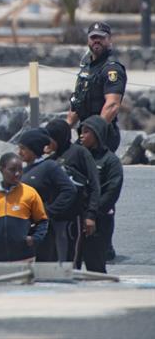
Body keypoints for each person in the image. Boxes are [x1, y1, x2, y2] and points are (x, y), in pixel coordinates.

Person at [44, 119, 101, 265]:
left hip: (73, 217)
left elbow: (94, 185)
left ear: (58, 137)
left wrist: (91, 215)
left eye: (50, 138)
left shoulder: (80, 153)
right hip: (53, 218)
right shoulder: (51, 159)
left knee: (71, 260)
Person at [16, 128, 77, 261]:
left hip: (42, 229)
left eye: (23, 148)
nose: (19, 152)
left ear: (34, 148)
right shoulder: (23, 170)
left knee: (43, 264)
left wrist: (49, 211)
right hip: (23, 226)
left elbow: (69, 190)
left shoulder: (49, 167)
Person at [0, 153, 49, 263]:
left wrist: (34, 239)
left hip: (24, 258)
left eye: (20, 169)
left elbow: (42, 221)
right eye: (12, 170)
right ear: (1, 169)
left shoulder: (30, 193)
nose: (17, 173)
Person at [67, 22, 127, 152]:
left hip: (103, 134)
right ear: (88, 40)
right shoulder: (86, 68)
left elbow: (112, 105)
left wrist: (95, 132)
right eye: (93, 37)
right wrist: (64, 130)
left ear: (109, 40)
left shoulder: (112, 68)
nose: (97, 40)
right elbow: (77, 102)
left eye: (101, 37)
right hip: (85, 132)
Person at [76, 115, 123, 273]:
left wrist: (92, 213)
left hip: (99, 220)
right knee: (71, 265)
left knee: (95, 266)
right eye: (81, 131)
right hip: (76, 219)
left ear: (97, 134)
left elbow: (112, 191)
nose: (82, 135)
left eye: (87, 132)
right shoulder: (77, 156)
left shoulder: (110, 161)